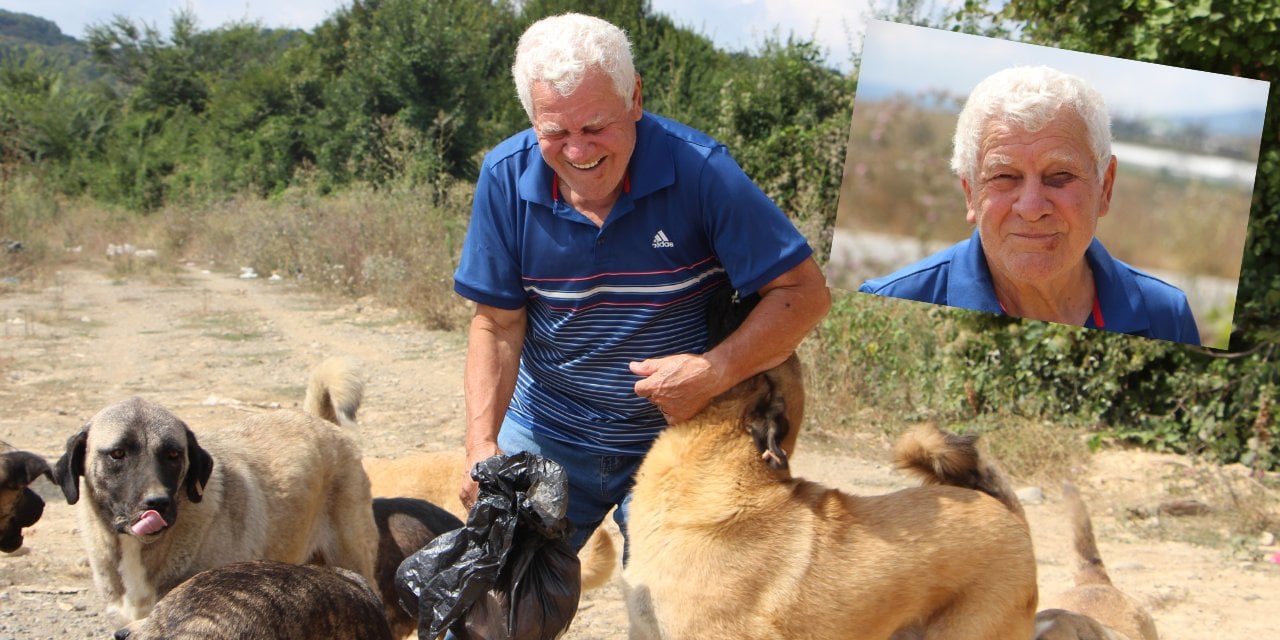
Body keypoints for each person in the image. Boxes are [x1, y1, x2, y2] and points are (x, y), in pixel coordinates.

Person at [452, 13, 831, 554]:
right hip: (548, 430)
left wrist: (711, 371)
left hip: (680, 439)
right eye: (555, 132)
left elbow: (804, 293)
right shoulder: (504, 177)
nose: (578, 152)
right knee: (486, 612)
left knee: (693, 612)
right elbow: (495, 324)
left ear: (634, 98)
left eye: (594, 127)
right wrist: (480, 444)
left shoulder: (701, 170)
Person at [859, 65, 1200, 345]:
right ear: (970, 193)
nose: (1032, 207)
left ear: (1105, 187)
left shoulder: (1167, 315)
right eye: (1005, 176)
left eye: (1060, 175)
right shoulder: (885, 300)